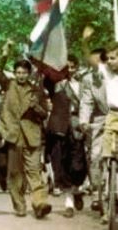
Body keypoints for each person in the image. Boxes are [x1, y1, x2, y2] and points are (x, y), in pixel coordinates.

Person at [0, 41, 52, 219]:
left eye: (24, 73)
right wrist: (5, 53)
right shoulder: (8, 85)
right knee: (15, 174)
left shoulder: (37, 90)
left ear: (29, 73)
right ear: (14, 73)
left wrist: (36, 107)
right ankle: (19, 205)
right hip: (13, 136)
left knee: (34, 171)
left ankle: (40, 203)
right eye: (18, 72)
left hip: (32, 136)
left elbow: (44, 114)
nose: (21, 75)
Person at [44, 54, 87, 218]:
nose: (70, 70)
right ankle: (68, 203)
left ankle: (76, 190)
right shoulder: (55, 84)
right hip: (59, 129)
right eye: (66, 67)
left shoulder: (84, 84)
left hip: (77, 127)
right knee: (61, 165)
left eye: (72, 67)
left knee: (77, 166)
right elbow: (46, 77)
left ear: (76, 67)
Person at [79, 25, 108, 212]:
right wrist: (84, 121)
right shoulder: (89, 79)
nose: (96, 66)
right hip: (102, 119)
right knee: (95, 155)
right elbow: (87, 102)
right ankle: (99, 193)